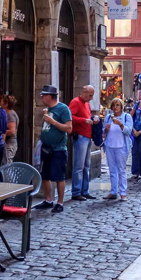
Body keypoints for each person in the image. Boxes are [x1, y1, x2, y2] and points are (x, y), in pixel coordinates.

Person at [34, 85, 73, 213]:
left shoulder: (63, 109)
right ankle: (48, 200)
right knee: (45, 175)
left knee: (59, 177)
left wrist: (53, 122)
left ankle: (60, 202)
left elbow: (69, 128)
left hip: (58, 149)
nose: (41, 97)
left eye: (43, 95)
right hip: (46, 148)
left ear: (49, 96)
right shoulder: (48, 109)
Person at [68, 85, 98, 202]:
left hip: (87, 136)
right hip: (80, 136)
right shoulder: (76, 102)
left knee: (86, 166)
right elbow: (70, 117)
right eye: (90, 95)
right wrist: (84, 120)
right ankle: (76, 192)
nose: (91, 98)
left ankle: (84, 191)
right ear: (84, 93)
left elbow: (86, 116)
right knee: (79, 166)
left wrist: (93, 118)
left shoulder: (87, 104)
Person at [102, 97, 133, 201]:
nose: (115, 107)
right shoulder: (108, 117)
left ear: (121, 107)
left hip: (121, 147)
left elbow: (128, 132)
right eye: (113, 105)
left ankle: (123, 193)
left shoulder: (126, 117)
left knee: (121, 170)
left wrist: (120, 124)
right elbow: (103, 132)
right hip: (109, 146)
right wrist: (105, 130)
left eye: (117, 105)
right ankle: (113, 191)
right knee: (112, 170)